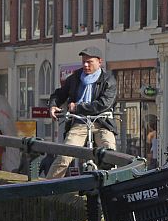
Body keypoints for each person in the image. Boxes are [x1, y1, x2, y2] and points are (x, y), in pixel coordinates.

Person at [47, 48, 118, 178]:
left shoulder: (109, 80)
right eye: (84, 62)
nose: (85, 65)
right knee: (64, 156)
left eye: (89, 62)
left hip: (102, 123)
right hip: (80, 123)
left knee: (110, 152)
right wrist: (53, 106)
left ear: (99, 62)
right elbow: (59, 94)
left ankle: (112, 185)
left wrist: (77, 108)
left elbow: (103, 104)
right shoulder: (75, 78)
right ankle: (47, 189)